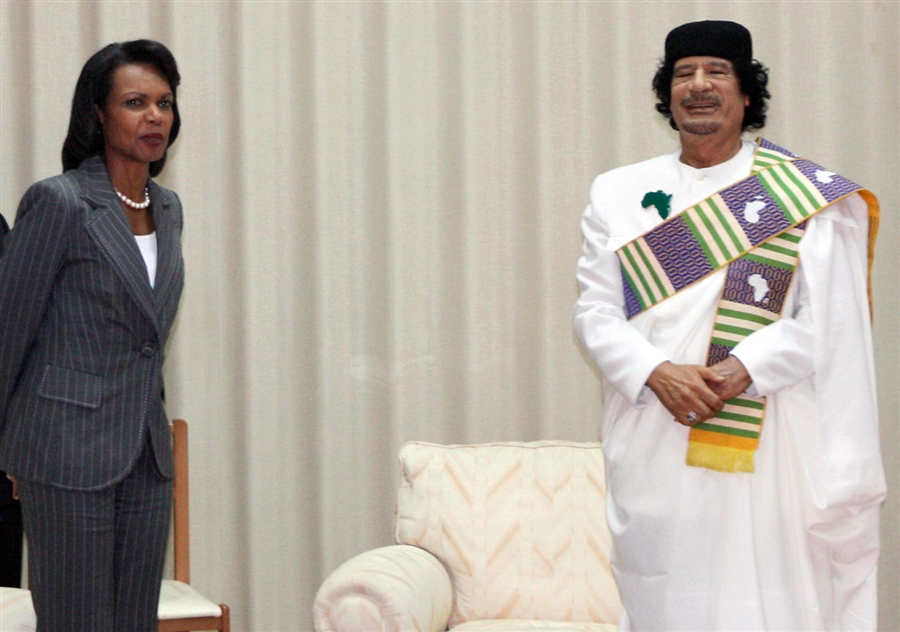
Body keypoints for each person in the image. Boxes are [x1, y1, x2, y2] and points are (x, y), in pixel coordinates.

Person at [574, 20, 885, 632]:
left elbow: (830, 319)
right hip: (654, 427)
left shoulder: (804, 195)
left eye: (717, 71)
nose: (699, 85)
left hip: (770, 427)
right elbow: (595, 311)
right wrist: (656, 372)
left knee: (770, 589)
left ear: (746, 93)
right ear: (667, 95)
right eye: (683, 74)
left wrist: (747, 366)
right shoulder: (617, 191)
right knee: (666, 592)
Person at [0, 40, 184, 631]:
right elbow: (9, 331)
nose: (154, 116)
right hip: (63, 450)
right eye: (135, 102)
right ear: (99, 114)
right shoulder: (59, 202)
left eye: (164, 103)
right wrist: (9, 449)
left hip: (145, 455)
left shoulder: (169, 208)